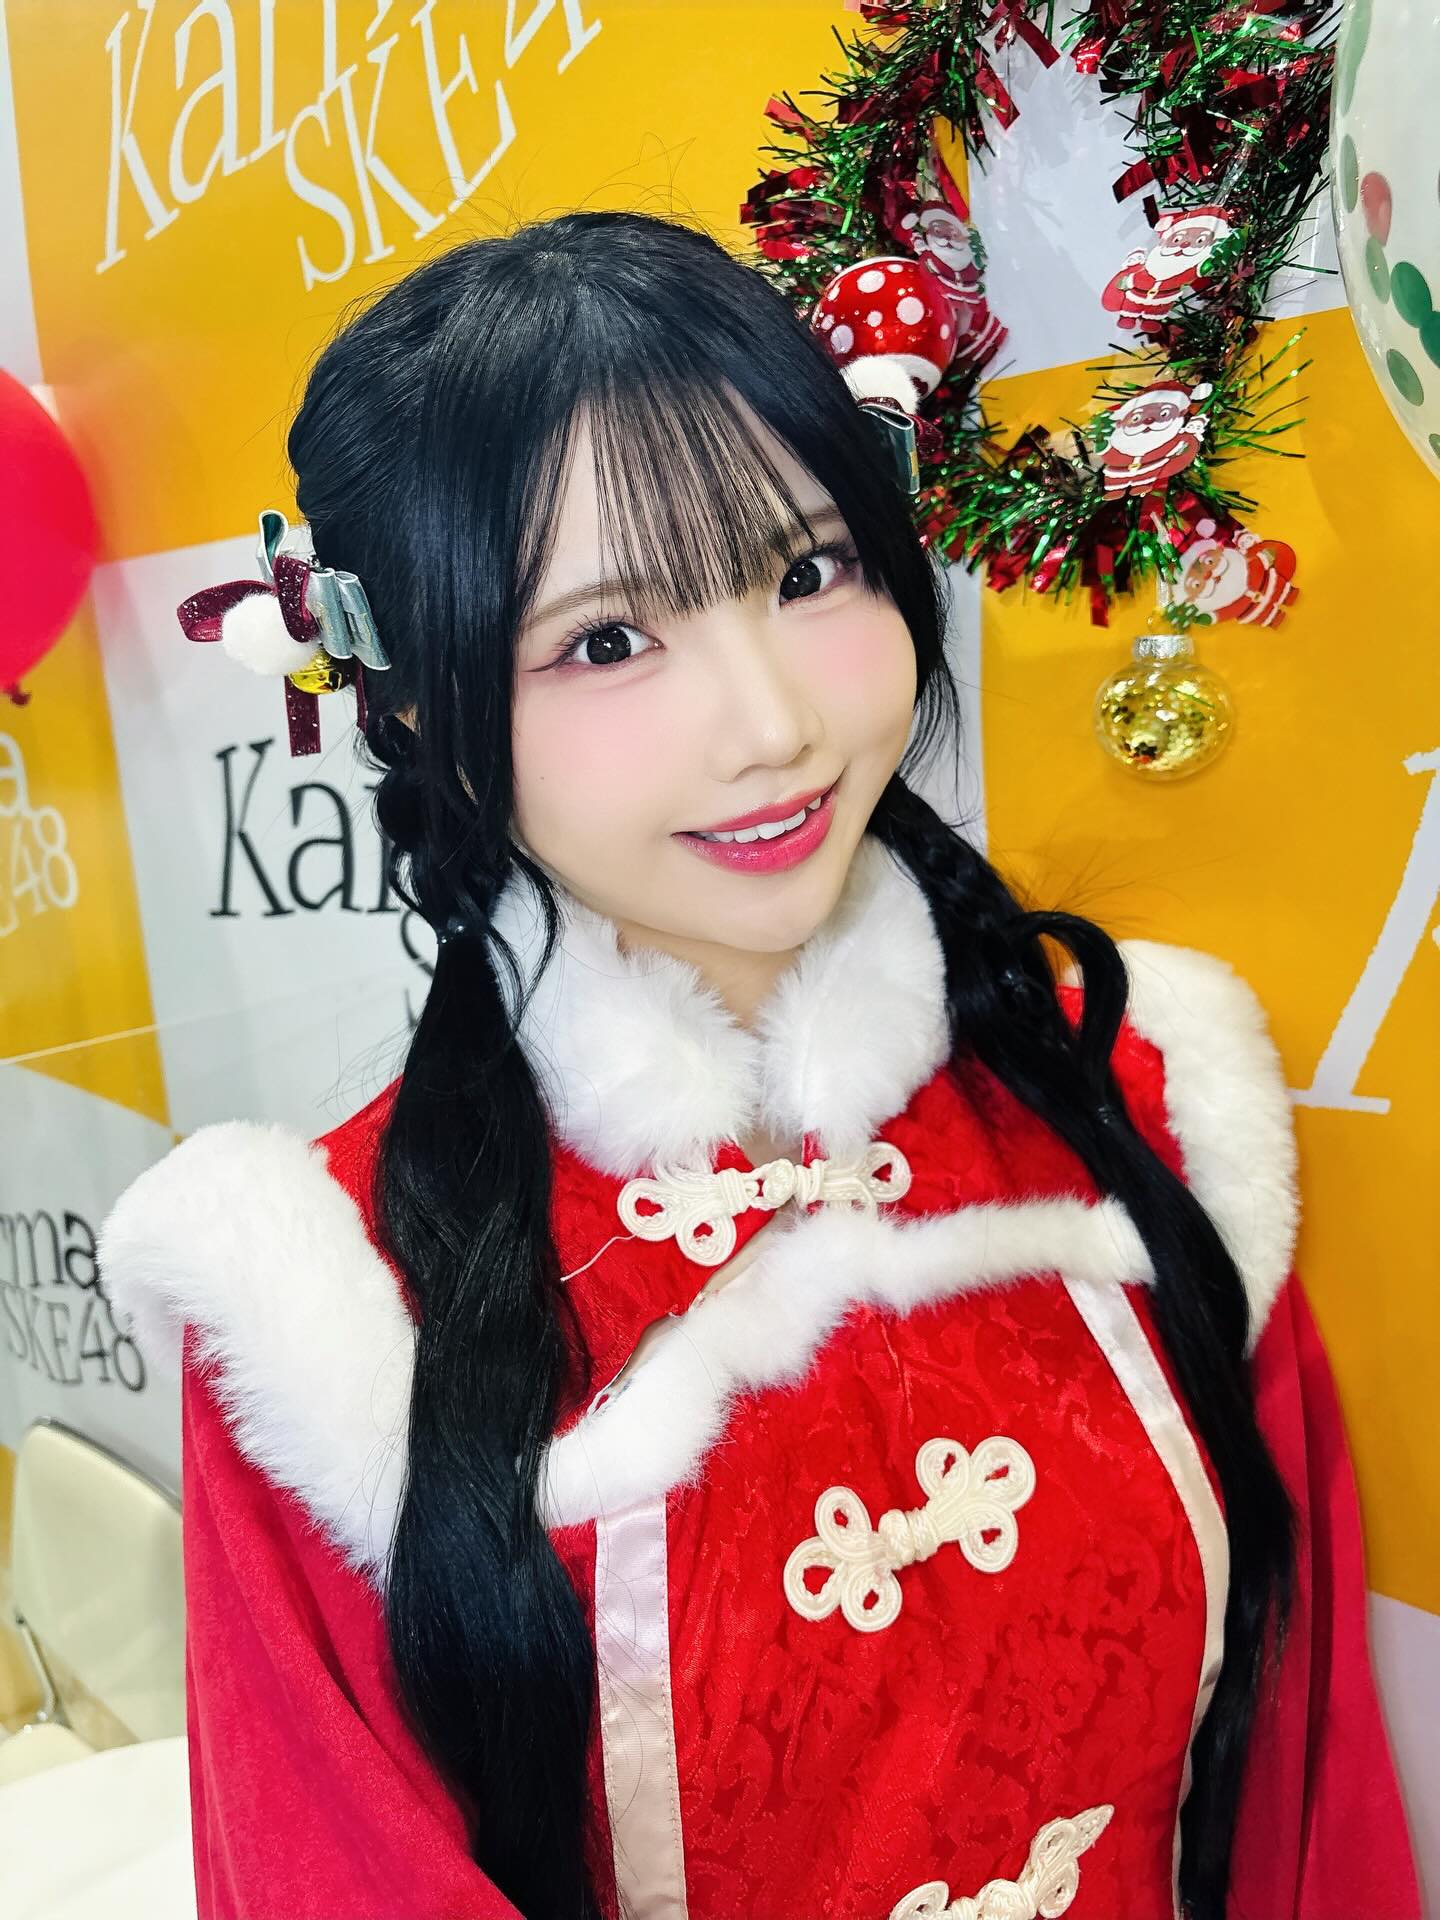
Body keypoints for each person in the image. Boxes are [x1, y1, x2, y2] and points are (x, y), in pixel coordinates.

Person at [96, 210, 1420, 1920]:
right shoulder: (321, 1318)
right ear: (415, 705)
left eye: (809, 573)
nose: (773, 724)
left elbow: (1311, 1800)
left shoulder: (1148, 1100)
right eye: (605, 640)